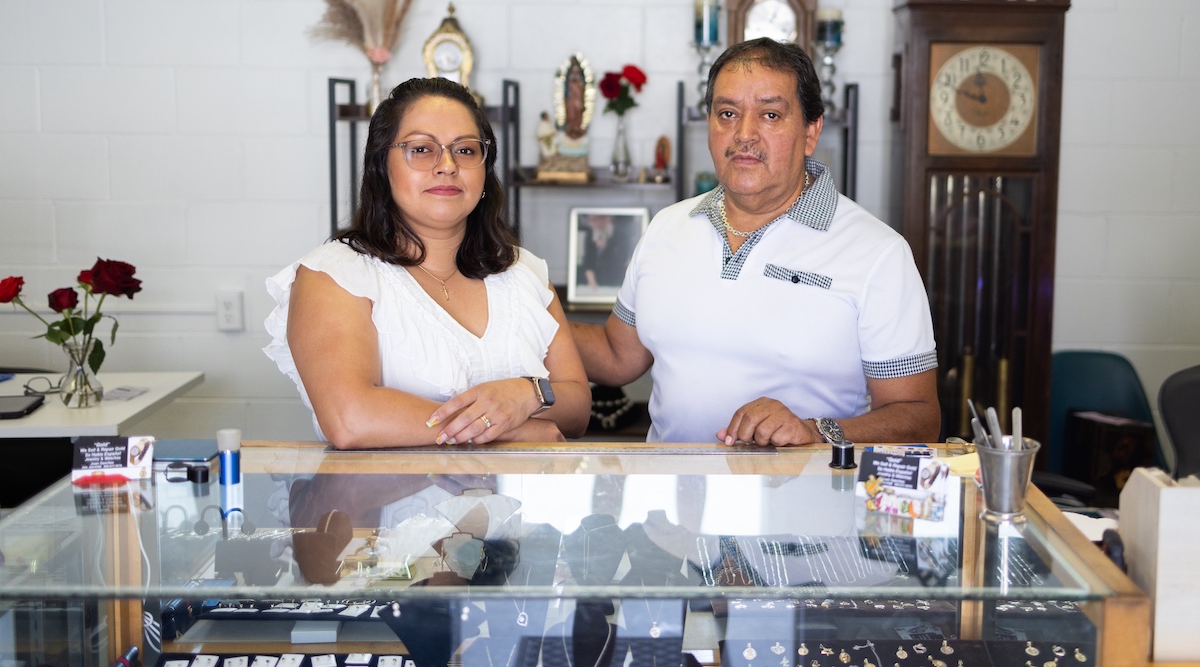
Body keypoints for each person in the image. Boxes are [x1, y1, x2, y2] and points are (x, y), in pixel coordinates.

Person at [570, 38, 940, 445]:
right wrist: (529, 305)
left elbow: (918, 416)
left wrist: (815, 431)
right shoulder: (667, 227)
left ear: (811, 131)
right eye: (727, 113)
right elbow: (617, 356)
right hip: (669, 486)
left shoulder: (877, 253)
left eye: (770, 115)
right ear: (709, 124)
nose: (744, 134)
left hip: (807, 486)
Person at [265, 77, 590, 449]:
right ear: (382, 166)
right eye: (421, 149)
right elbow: (350, 419)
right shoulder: (334, 275)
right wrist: (511, 431)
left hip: (523, 489)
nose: (447, 165)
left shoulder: (523, 271)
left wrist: (527, 393)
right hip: (382, 490)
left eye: (465, 150)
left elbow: (578, 407)